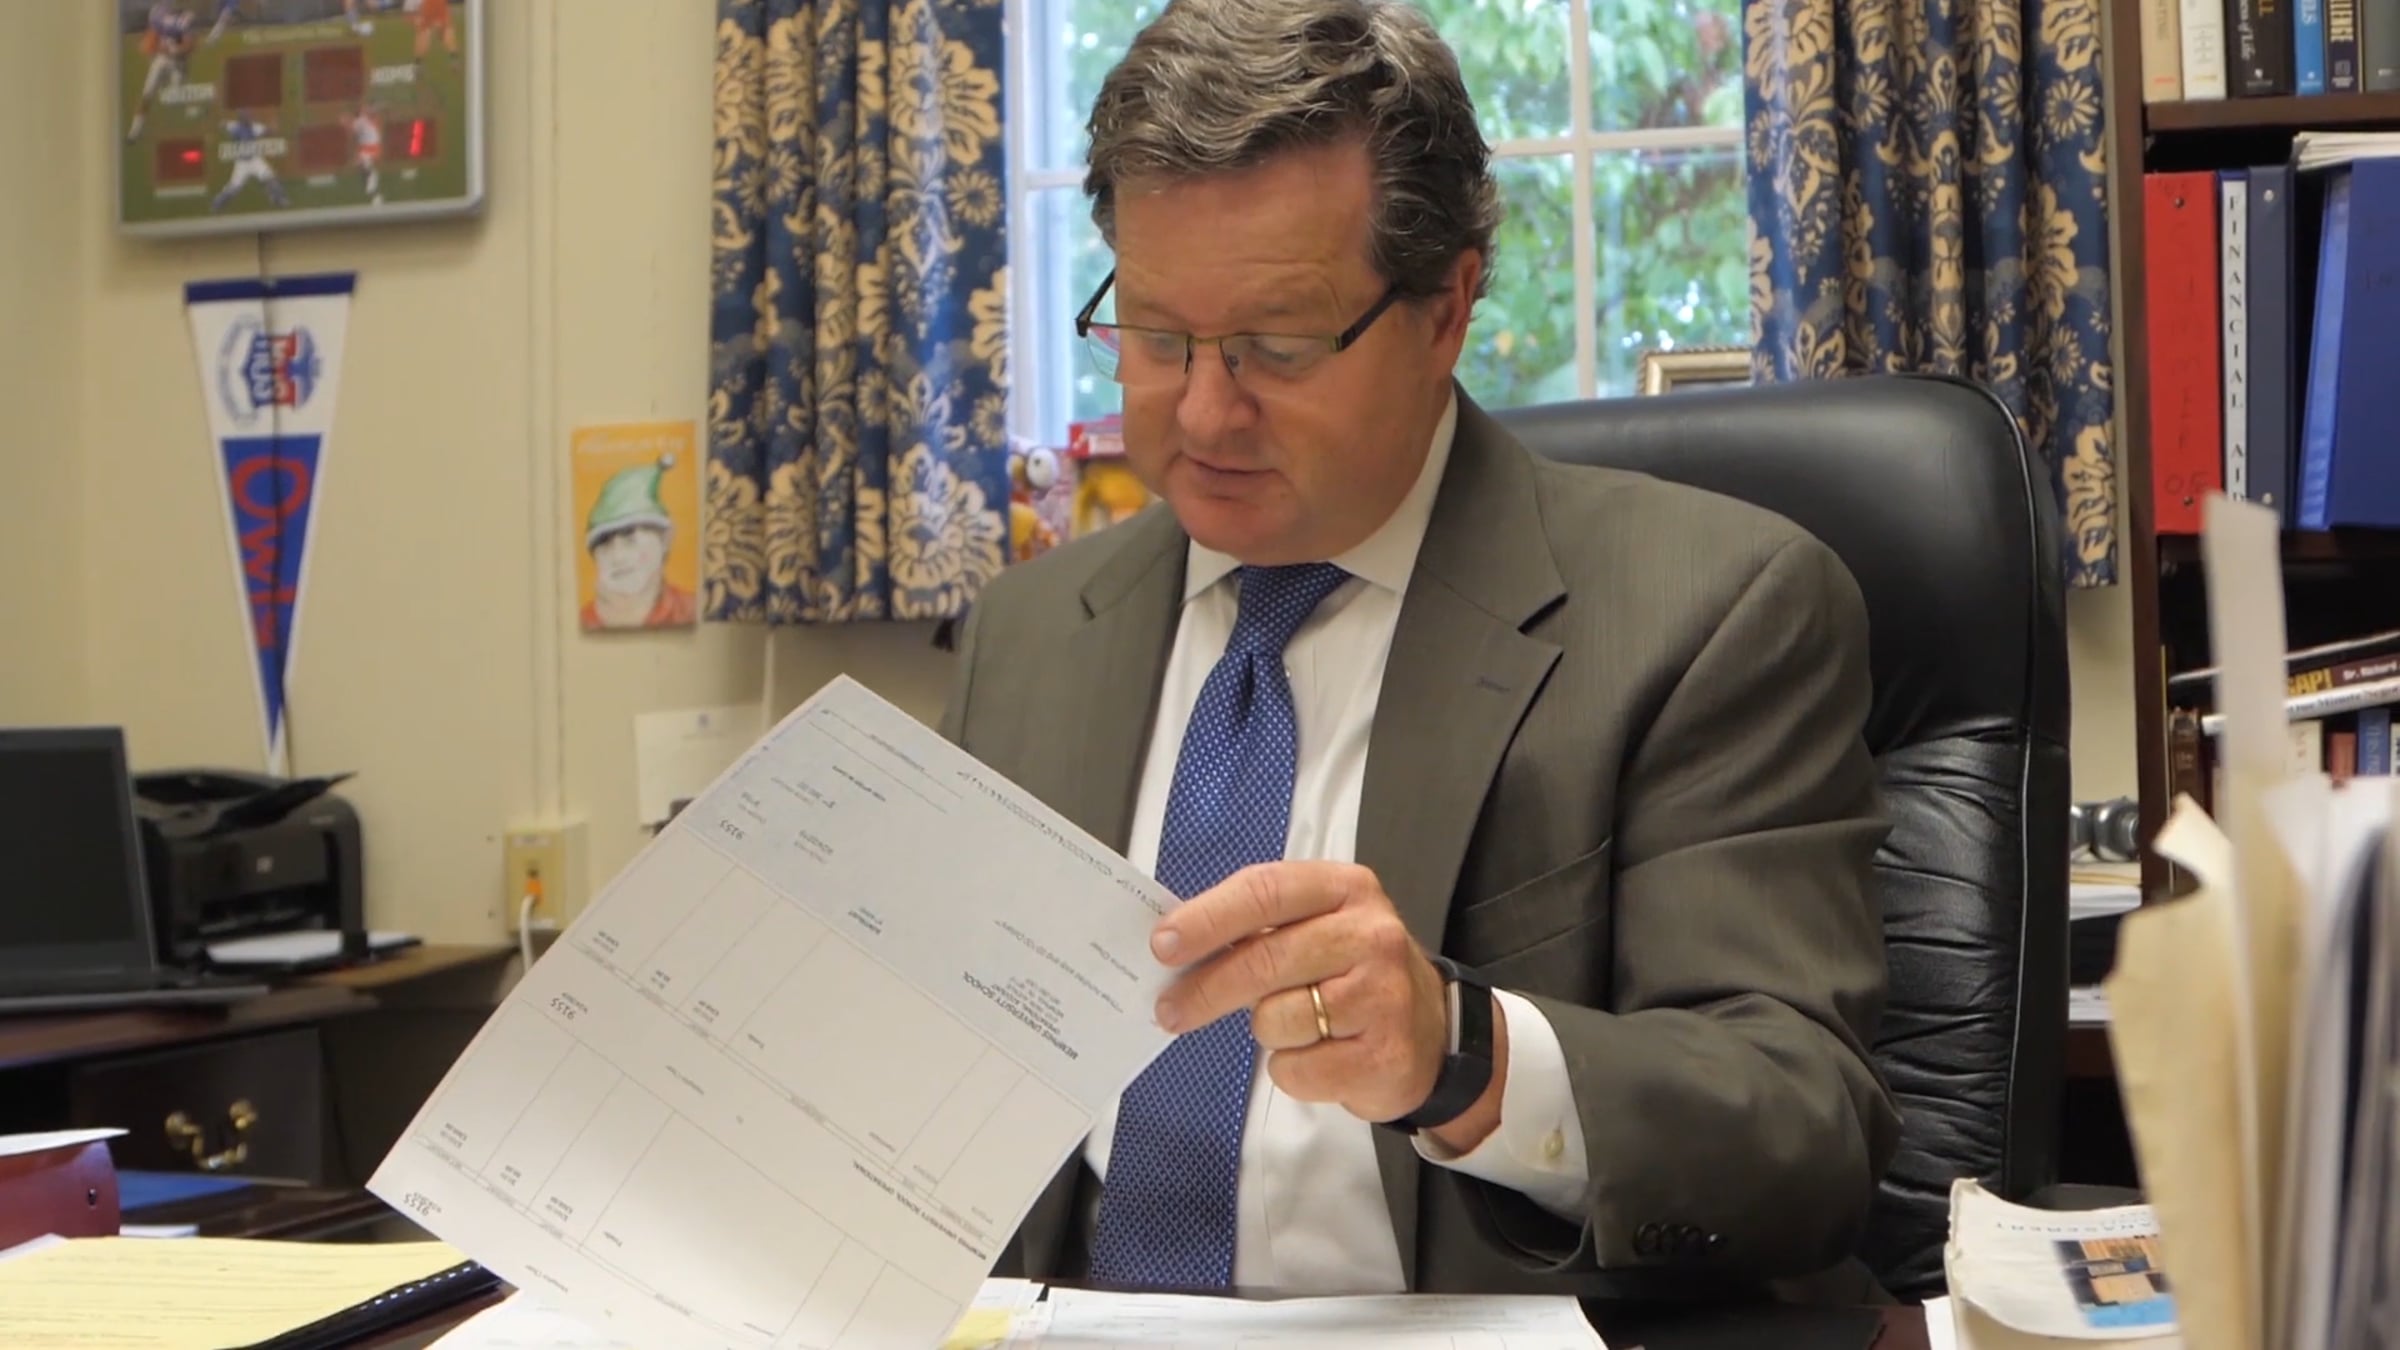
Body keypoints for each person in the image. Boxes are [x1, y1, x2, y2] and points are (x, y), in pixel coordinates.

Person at [938, 0, 1902, 1306]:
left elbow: (1804, 1129)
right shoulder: (1030, 636)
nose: (1205, 412)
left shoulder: (1713, 612)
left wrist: (1462, 1052)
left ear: (1446, 307)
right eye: (1158, 337)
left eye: (1278, 346)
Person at [582, 456, 695, 630]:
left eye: (630, 540)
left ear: (664, 539)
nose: (618, 557)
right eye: (604, 545)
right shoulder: (585, 621)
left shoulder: (690, 610)